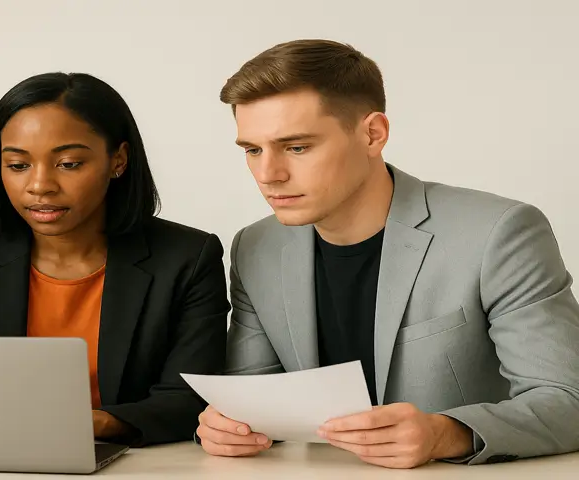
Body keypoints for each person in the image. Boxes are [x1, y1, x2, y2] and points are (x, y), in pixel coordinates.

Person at [196, 39, 579, 468]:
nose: (269, 174)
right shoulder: (255, 246)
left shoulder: (498, 232)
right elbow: (252, 396)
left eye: (297, 147)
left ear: (372, 134)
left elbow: (568, 399)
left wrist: (446, 433)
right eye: (252, 150)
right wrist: (227, 426)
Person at [0, 72, 229, 446]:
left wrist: (99, 423)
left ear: (118, 160)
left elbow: (188, 398)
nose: (40, 185)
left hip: (133, 463)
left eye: (69, 163)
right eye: (18, 165)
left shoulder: (187, 257)